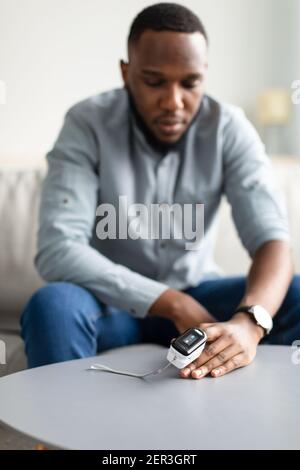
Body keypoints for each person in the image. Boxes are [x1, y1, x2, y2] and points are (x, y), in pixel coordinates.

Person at [21, 3, 300, 379]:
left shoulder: (229, 127)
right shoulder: (86, 123)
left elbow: (273, 241)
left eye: (190, 83)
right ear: (126, 72)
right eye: (154, 81)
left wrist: (250, 323)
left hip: (201, 294)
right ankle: (64, 436)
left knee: (295, 294)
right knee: (51, 305)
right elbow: (58, 249)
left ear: (204, 75)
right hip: (110, 306)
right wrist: (171, 303)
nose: (173, 102)